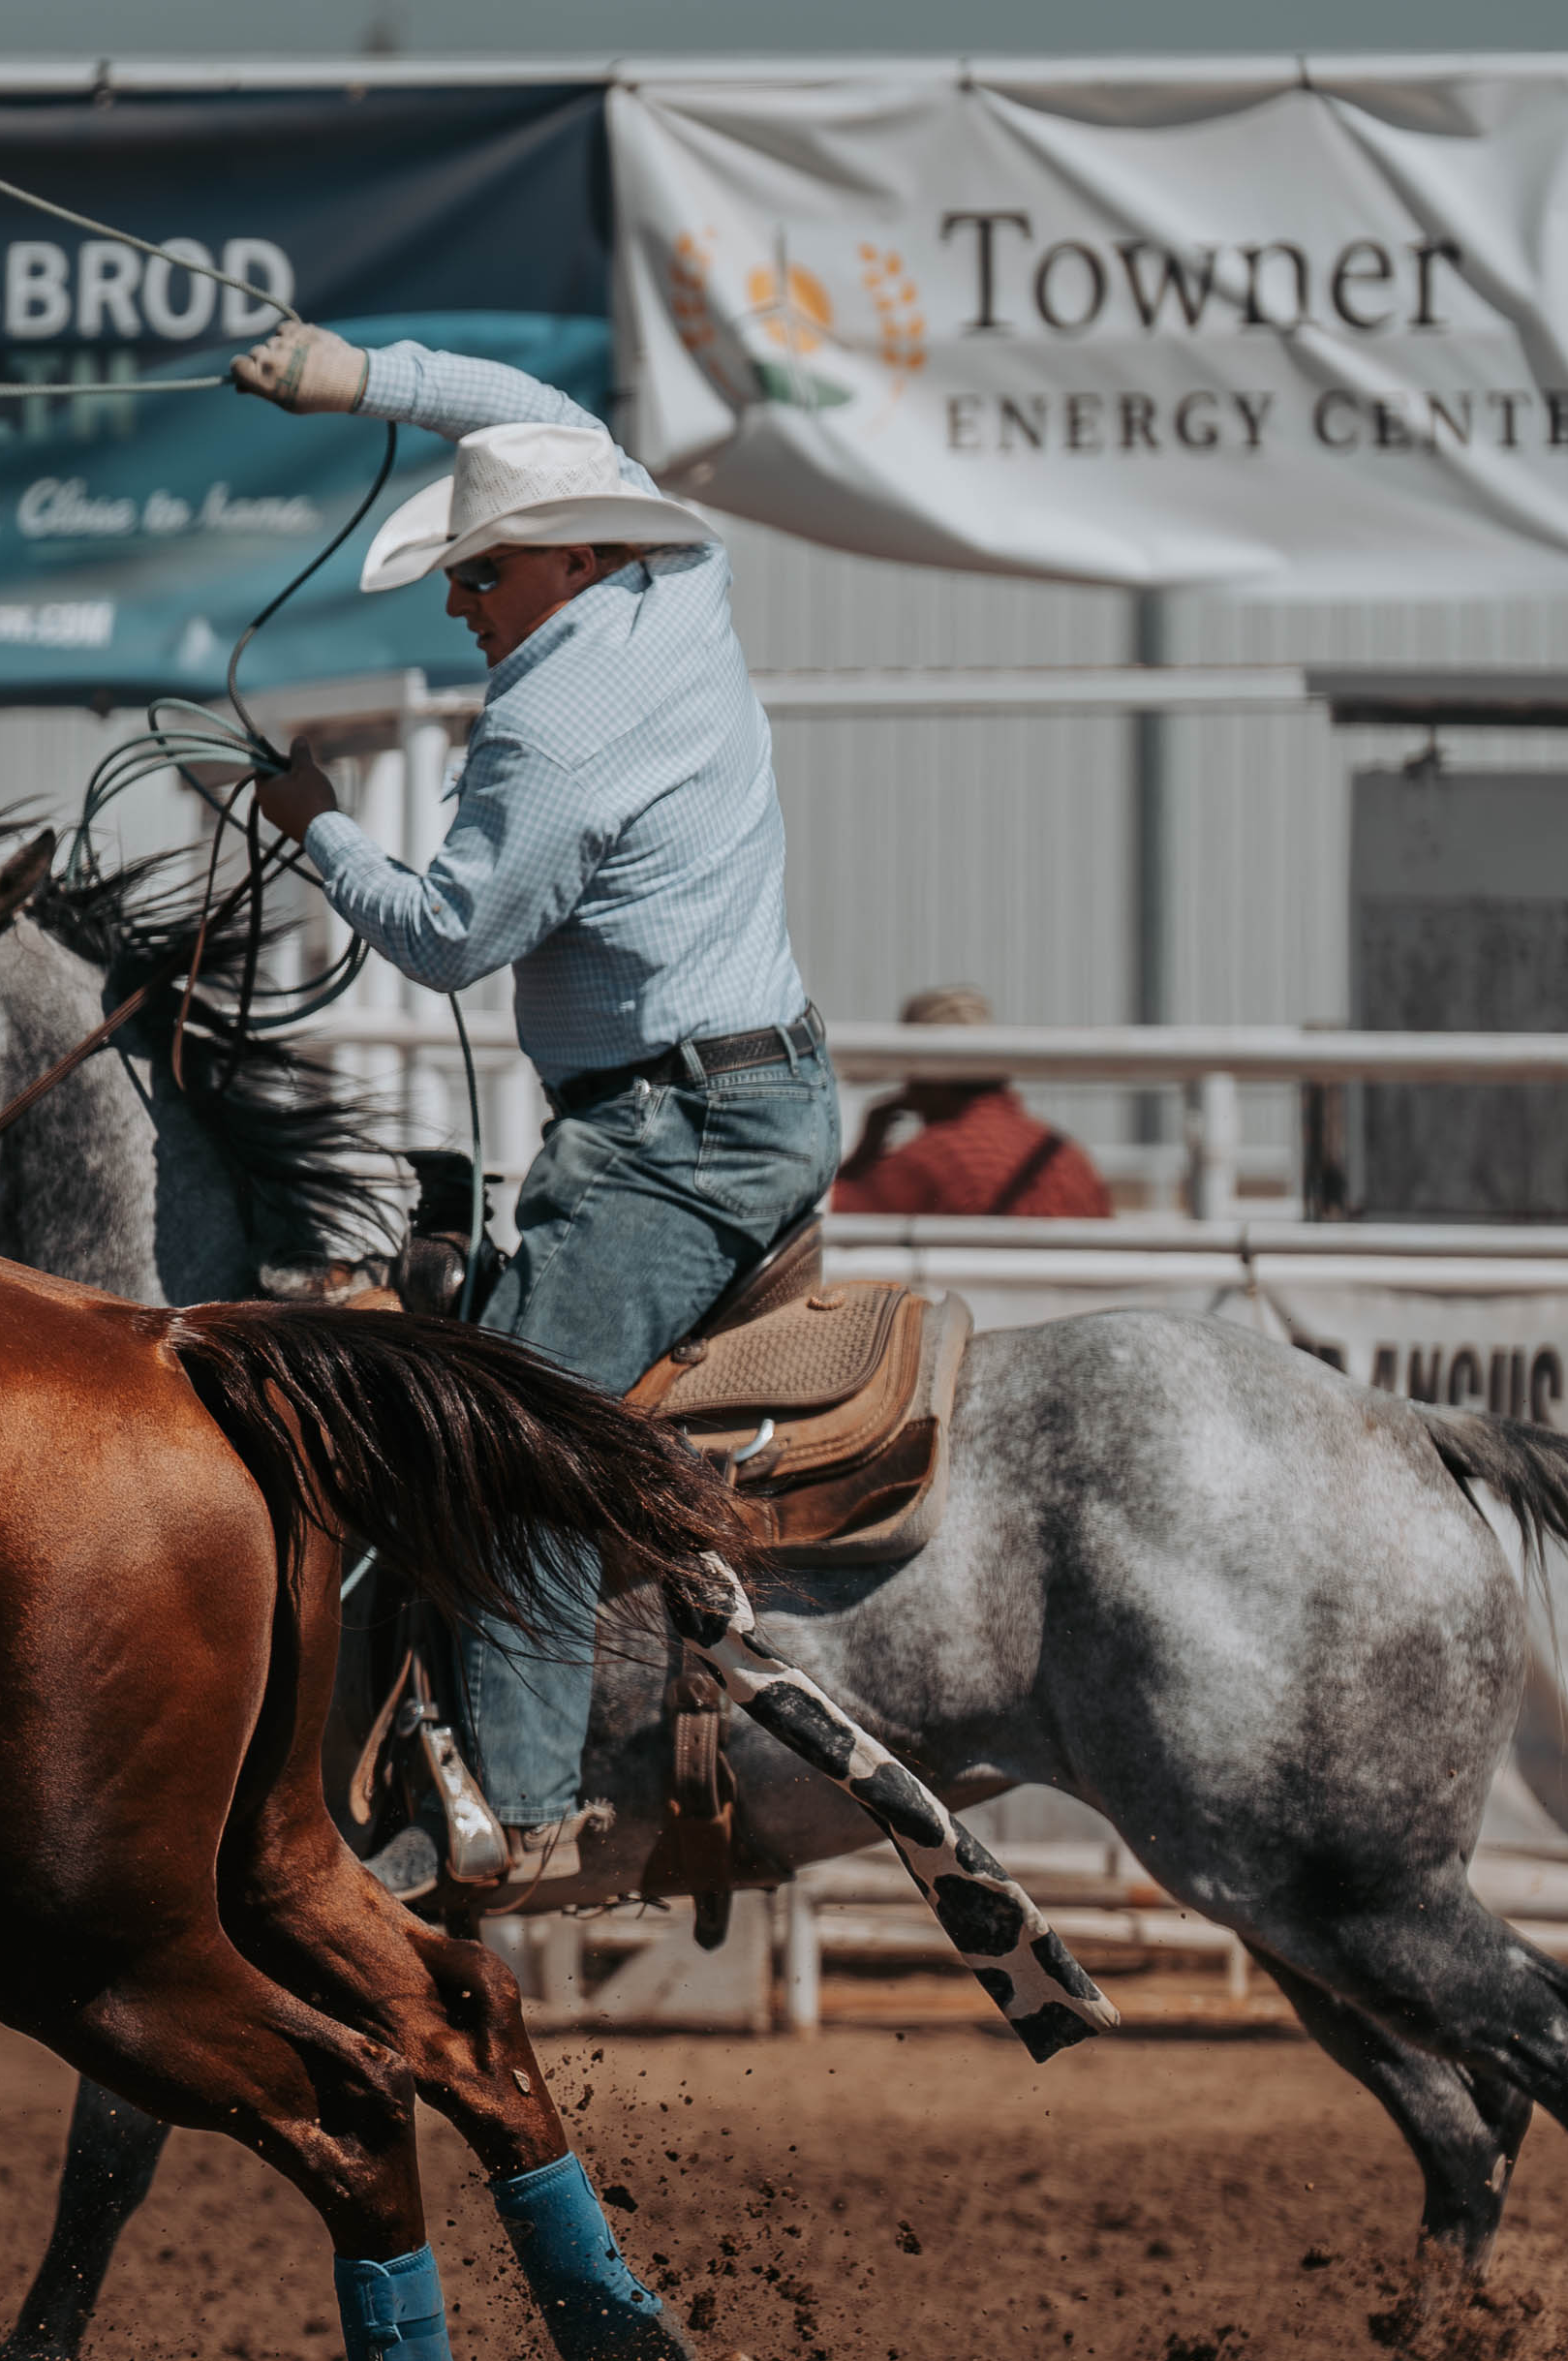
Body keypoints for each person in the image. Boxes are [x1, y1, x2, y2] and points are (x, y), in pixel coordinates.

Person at [233, 318, 837, 1899]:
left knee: (512, 1444)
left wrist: (319, 828)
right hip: (745, 1089)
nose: (455, 597)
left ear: (564, 560)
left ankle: (534, 1800)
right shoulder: (674, 584)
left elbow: (452, 932)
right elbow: (519, 404)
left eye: (477, 572)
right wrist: (345, 373)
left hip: (674, 1137)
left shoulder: (549, 726)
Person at [831, 987, 1114, 1219]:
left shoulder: (932, 1157)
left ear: (925, 1078)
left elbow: (835, 1213)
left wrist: (865, 1153)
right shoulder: (1061, 1153)